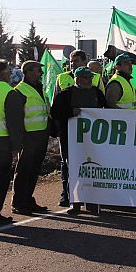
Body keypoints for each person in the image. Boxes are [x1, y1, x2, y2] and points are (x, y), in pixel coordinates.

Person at [50, 66, 107, 214]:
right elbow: (54, 112)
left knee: (93, 168)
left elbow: (106, 111)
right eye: (86, 77)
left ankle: (93, 202)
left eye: (90, 77)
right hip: (70, 139)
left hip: (92, 140)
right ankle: (74, 202)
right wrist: (70, 112)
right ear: (78, 78)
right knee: (73, 168)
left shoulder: (97, 93)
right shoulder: (65, 95)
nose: (89, 80)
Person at [11, 61, 50, 215]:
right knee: (24, 169)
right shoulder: (19, 91)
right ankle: (19, 202)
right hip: (28, 136)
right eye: (37, 70)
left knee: (34, 169)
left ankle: (28, 199)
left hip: (41, 133)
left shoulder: (40, 88)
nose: (40, 72)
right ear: (27, 72)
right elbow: (16, 118)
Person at [0, 60, 24, 224]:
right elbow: (14, 123)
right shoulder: (9, 92)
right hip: (0, 143)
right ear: (2, 73)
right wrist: (16, 146)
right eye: (8, 70)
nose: (10, 73)